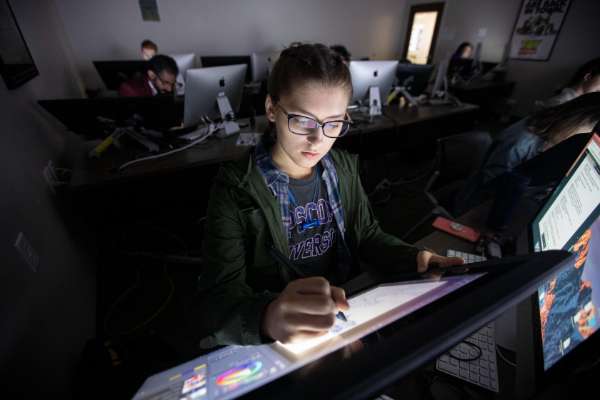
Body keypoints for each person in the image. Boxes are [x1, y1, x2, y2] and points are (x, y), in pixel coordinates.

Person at [198, 43, 463, 346]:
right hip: (279, 334)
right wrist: (268, 316)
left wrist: (414, 256)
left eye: (333, 123)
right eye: (302, 120)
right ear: (272, 110)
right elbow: (217, 300)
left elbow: (366, 235)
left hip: (343, 311)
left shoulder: (342, 169)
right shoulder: (237, 188)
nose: (318, 139)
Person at [454, 92, 600, 221]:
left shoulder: (551, 137)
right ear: (574, 120)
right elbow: (491, 189)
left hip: (509, 205)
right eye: (585, 135)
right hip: (474, 208)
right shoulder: (521, 143)